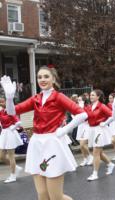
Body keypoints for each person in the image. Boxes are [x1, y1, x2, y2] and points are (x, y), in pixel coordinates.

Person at [0, 66, 87, 200]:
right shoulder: (36, 99)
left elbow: (82, 114)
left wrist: (64, 130)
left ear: (53, 79)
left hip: (52, 144)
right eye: (39, 77)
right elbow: (12, 112)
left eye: (46, 76)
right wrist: (10, 98)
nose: (42, 79)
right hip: (36, 144)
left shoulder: (59, 97)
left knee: (56, 197)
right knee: (42, 195)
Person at [86, 89, 115, 181]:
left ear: (98, 97)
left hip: (99, 130)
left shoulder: (102, 106)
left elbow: (113, 115)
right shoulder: (89, 107)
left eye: (93, 95)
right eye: (90, 95)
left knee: (95, 152)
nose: (91, 97)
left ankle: (95, 173)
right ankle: (110, 164)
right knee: (99, 153)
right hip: (92, 130)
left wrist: (105, 123)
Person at [0, 97, 23, 183]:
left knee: (11, 156)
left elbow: (18, 123)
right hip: (3, 134)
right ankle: (16, 168)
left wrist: (12, 129)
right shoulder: (1, 111)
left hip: (10, 133)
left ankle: (13, 175)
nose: (1, 103)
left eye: (2, 102)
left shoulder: (10, 111)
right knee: (1, 156)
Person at [76, 95, 93, 166]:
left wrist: (82, 108)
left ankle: (90, 156)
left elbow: (88, 117)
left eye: (80, 100)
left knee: (82, 144)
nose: (78, 101)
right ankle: (85, 158)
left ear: (83, 100)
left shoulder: (87, 107)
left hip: (86, 126)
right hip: (80, 126)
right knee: (81, 146)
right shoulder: (77, 106)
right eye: (78, 100)